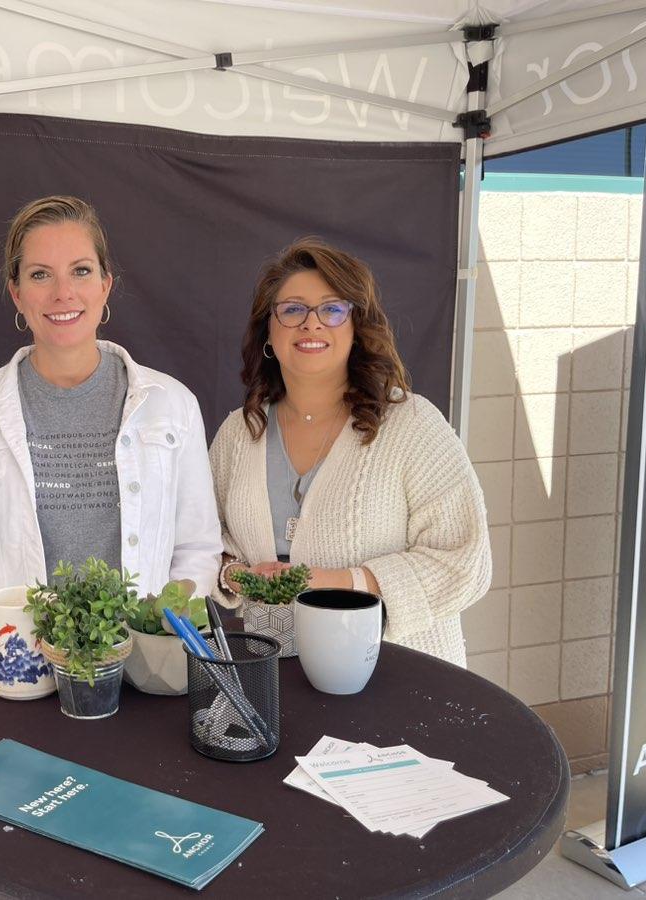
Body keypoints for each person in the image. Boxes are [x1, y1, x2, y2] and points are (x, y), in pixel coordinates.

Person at [0, 196, 221, 668]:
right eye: (40, 274)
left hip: (139, 675)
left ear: (105, 285)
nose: (63, 293)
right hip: (14, 676)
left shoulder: (172, 406)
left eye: (80, 271)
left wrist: (164, 650)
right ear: (17, 293)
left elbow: (197, 551)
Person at [210, 238, 490, 667]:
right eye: (292, 309)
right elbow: (202, 542)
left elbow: (464, 562)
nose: (312, 324)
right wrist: (236, 575)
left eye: (332, 308)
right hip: (273, 676)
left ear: (356, 326)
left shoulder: (411, 425)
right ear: (269, 329)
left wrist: (335, 582)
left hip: (398, 678)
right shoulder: (238, 433)